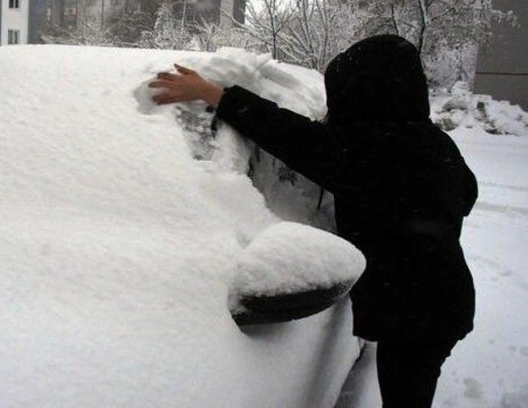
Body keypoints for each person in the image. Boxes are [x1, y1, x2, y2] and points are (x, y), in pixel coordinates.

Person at [149, 34, 478, 407]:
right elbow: (467, 195)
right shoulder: (433, 143)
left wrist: (217, 95)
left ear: (362, 93)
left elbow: (289, 136)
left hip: (412, 314)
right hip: (442, 299)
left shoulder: (370, 149)